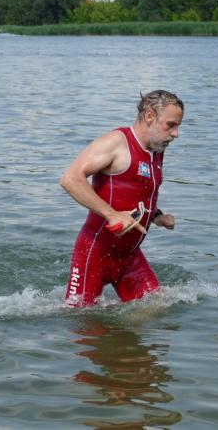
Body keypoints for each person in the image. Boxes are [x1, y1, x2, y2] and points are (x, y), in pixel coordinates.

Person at [60, 90, 184, 307]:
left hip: (129, 256)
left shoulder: (155, 151)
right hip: (95, 254)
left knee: (157, 307)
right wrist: (111, 215)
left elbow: (134, 194)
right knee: (82, 320)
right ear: (150, 116)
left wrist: (157, 216)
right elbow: (70, 179)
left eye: (178, 126)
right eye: (171, 125)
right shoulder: (116, 143)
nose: (176, 134)